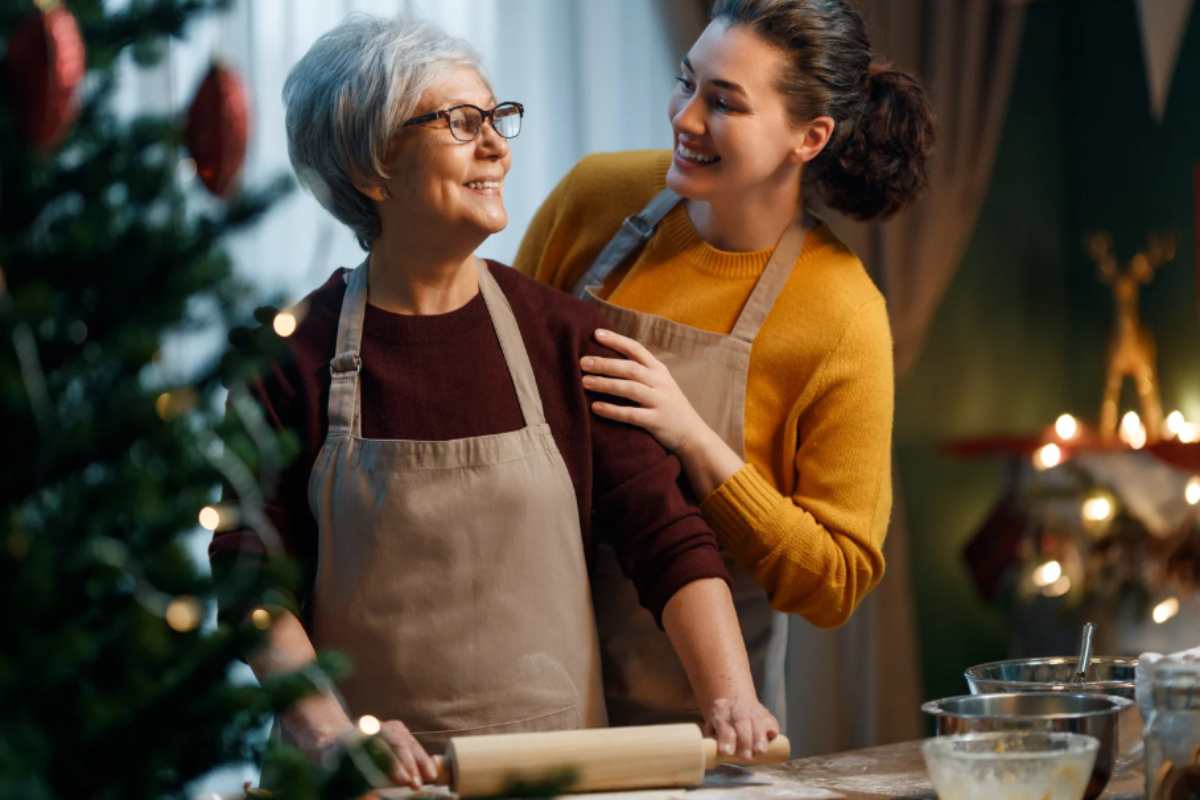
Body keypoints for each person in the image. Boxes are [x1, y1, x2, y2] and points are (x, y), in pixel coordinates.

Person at [208, 13, 778, 790]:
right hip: (366, 782)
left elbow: (667, 538)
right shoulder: (289, 360)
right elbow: (250, 580)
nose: (497, 146)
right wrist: (331, 733)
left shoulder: (566, 337)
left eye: (498, 117)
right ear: (374, 166)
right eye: (461, 122)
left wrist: (731, 696)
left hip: (555, 774)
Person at [515, 0, 933, 728]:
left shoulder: (841, 315)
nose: (685, 118)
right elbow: (503, 373)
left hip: (698, 724)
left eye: (724, 104)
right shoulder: (596, 198)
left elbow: (835, 582)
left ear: (811, 136)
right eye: (686, 83)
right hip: (526, 683)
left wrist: (694, 438)